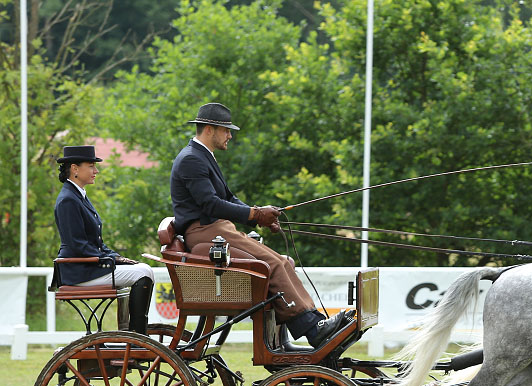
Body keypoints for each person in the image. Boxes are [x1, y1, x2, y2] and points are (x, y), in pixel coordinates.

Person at [169, 102, 348, 348]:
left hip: (217, 229)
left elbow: (228, 199)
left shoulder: (201, 156)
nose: (230, 135)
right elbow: (211, 204)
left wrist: (261, 216)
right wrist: (255, 214)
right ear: (210, 129)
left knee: (284, 261)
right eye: (226, 130)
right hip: (207, 232)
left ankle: (294, 333)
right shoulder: (191, 159)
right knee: (270, 264)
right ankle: (312, 328)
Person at [54, 145, 154, 334]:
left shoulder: (78, 195)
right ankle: (138, 336)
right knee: (144, 273)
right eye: (91, 166)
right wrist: (110, 260)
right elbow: (77, 245)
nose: (96, 171)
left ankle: (133, 334)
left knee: (143, 269)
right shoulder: (68, 200)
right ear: (75, 169)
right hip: (79, 271)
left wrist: (115, 256)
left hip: (87, 266)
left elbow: (95, 243)